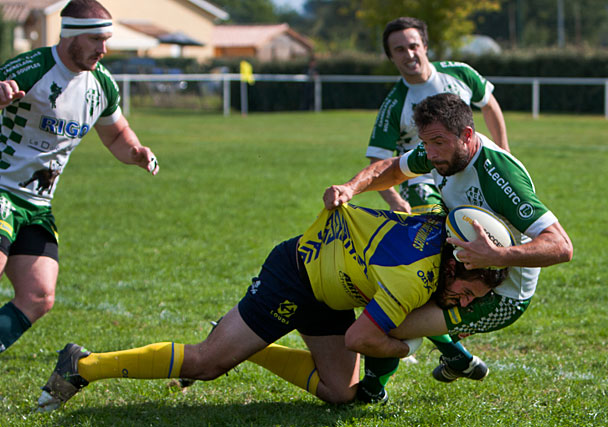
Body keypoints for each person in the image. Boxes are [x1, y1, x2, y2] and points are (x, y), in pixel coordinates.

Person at [36, 203, 507, 411]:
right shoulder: (415, 277)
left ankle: (254, 348)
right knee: (208, 364)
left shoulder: (440, 229)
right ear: (456, 260)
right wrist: (406, 349)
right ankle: (84, 366)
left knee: (341, 394)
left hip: (333, 288)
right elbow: (360, 339)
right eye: (466, 290)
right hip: (296, 274)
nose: (463, 301)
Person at [324, 93, 573, 398]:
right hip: (461, 264)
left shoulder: (498, 177)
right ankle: (456, 356)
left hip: (503, 295)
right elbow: (390, 168)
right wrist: (350, 188)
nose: (430, 153)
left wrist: (497, 255)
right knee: (387, 291)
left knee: (388, 323)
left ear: (467, 135)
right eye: (425, 143)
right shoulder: (440, 153)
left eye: (438, 142)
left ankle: (373, 391)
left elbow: (561, 245)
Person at [0, 0, 159, 354]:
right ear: (71, 35)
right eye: (95, 40)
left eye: (107, 40)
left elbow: (116, 135)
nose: (103, 49)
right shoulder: (32, 67)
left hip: (37, 204)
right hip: (1, 189)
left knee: (38, 296)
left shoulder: (101, 85)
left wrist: (137, 153)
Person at [367, 17, 509, 214]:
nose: (409, 54)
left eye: (413, 46)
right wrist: (394, 200)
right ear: (391, 56)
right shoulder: (394, 105)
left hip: (468, 170)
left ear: (425, 46)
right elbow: (377, 159)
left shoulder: (459, 73)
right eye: (399, 50)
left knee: (486, 230)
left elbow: (489, 105)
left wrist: (504, 151)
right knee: (436, 235)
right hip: (420, 180)